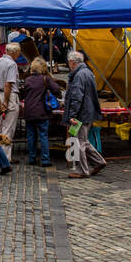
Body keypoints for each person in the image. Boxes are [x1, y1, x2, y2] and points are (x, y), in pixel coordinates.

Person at [63, 50, 106, 178]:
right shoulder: (87, 72)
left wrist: (72, 115)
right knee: (84, 141)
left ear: (72, 62)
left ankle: (83, 170)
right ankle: (99, 161)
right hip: (88, 111)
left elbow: (77, 96)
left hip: (81, 113)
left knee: (79, 142)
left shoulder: (79, 75)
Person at [23, 56, 62, 167]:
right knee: (43, 136)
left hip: (29, 111)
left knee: (31, 136)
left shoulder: (28, 80)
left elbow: (24, 94)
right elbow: (56, 90)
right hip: (41, 112)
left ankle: (32, 158)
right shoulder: (45, 79)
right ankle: (45, 160)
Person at [0, 41, 21, 145]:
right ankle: (5, 158)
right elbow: (8, 84)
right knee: (8, 128)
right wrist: (6, 101)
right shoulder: (12, 64)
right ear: (14, 52)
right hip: (8, 96)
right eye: (19, 52)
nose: (19, 55)